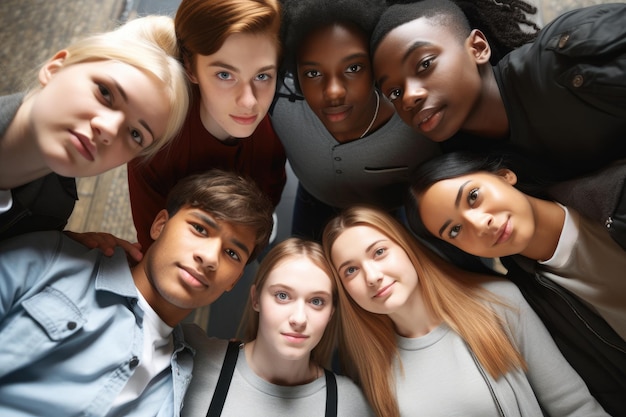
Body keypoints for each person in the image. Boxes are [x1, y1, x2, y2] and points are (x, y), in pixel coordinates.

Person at [0, 169, 274, 417]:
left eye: (231, 253)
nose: (210, 257)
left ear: (235, 281)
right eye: (200, 229)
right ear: (160, 225)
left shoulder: (184, 375)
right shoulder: (55, 260)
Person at [321, 206, 608, 417]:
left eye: (379, 252)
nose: (371, 276)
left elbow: (575, 407)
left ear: (407, 249)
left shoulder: (496, 303)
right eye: (350, 270)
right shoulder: (361, 363)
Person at [409, 150, 626, 415]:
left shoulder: (617, 195)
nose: (479, 224)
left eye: (473, 197)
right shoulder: (529, 301)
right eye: (454, 230)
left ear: (504, 176)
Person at [371, 0, 626, 178]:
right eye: (394, 92)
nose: (409, 98)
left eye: (424, 64)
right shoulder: (479, 169)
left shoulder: (565, 59)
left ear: (478, 48)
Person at [0, 15, 189, 242]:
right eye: (105, 93)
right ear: (55, 67)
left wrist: (50, 254)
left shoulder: (53, 210)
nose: (109, 130)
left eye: (135, 134)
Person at [270, 0, 440, 241]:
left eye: (353, 68)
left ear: (375, 66)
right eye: (313, 73)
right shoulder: (279, 102)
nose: (333, 92)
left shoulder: (416, 121)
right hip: (314, 200)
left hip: (395, 211)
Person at [128, 0, 287, 252]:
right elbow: (154, 247)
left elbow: (273, 188)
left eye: (262, 76)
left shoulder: (271, 136)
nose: (249, 102)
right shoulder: (157, 147)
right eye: (225, 75)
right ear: (190, 67)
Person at [182, 237, 374, 416]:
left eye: (316, 301)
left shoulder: (349, 404)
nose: (299, 319)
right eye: (282, 296)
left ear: (331, 311)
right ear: (256, 299)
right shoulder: (193, 359)